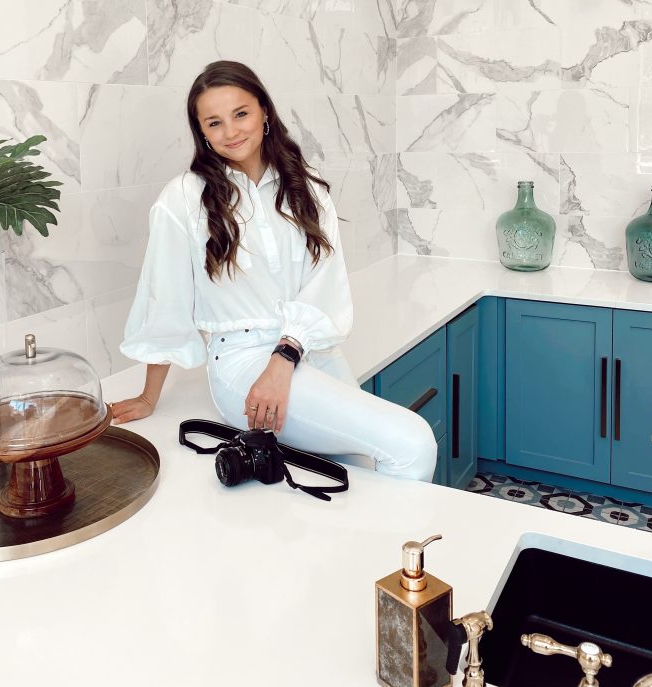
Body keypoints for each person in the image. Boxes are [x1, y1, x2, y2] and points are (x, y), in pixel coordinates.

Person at [113, 60, 437, 481]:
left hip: (309, 350)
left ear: (265, 111)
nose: (230, 132)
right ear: (202, 133)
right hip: (242, 362)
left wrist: (285, 357)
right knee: (411, 441)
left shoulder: (305, 185)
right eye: (214, 123)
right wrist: (148, 396)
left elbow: (325, 282)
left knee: (367, 470)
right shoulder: (183, 200)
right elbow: (165, 298)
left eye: (241, 114)